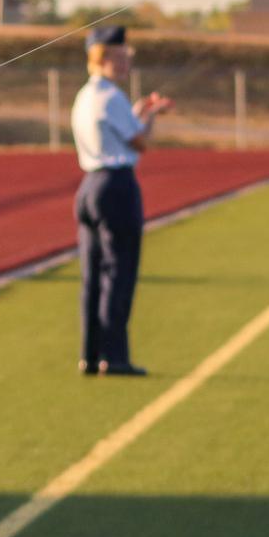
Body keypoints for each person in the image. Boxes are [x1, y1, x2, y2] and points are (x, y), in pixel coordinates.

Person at [68, 26, 170, 377]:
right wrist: (151, 117)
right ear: (104, 57)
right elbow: (139, 144)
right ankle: (116, 357)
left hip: (89, 187)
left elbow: (123, 134)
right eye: (121, 57)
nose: (126, 64)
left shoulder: (86, 95)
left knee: (92, 276)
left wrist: (139, 114)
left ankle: (91, 353)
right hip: (115, 186)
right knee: (119, 273)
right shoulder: (111, 97)